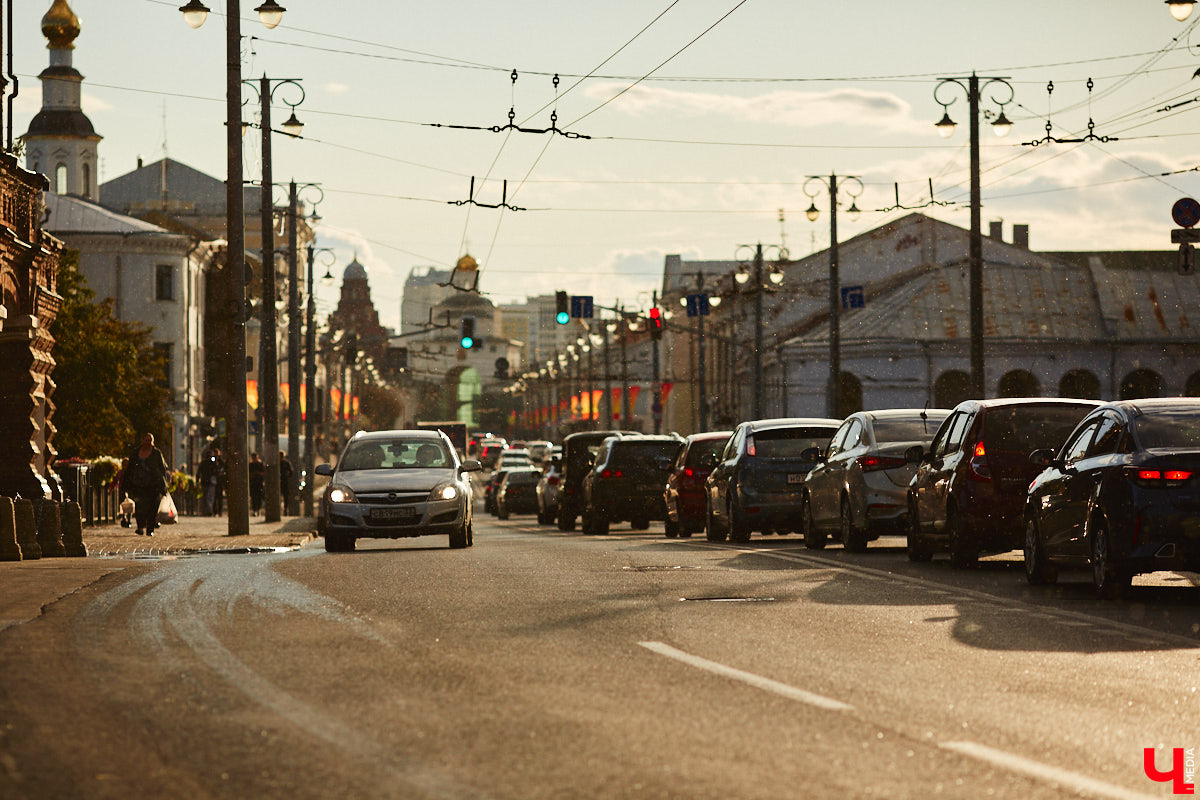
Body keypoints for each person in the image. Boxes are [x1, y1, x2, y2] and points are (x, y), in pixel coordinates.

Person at [122, 433, 169, 536]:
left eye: (149, 440)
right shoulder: (136, 452)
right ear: (142, 441)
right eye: (145, 440)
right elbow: (130, 468)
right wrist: (127, 482)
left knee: (152, 507)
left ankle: (150, 528)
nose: (147, 443)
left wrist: (163, 483)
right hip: (139, 484)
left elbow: (162, 469)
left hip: (153, 485)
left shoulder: (156, 453)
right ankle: (140, 527)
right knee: (139, 506)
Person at [197, 446, 224, 516]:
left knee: (206, 496)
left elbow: (199, 472)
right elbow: (216, 470)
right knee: (210, 497)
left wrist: (198, 480)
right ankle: (208, 510)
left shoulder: (203, 462)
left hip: (205, 481)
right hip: (210, 481)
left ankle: (207, 510)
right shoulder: (212, 462)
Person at [248, 452, 265, 516]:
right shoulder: (250, 465)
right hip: (253, 483)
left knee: (259, 496)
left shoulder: (260, 464)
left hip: (259, 483)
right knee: (253, 497)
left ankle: (258, 509)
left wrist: (258, 473)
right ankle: (255, 509)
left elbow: (263, 473)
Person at [279, 450, 295, 515]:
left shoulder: (286, 463)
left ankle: (285, 508)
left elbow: (291, 472)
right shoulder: (277, 463)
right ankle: (283, 508)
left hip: (285, 481)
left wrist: (287, 475)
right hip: (280, 481)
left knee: (286, 495)